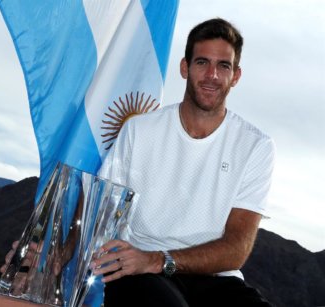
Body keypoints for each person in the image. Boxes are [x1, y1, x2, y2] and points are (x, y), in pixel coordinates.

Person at [91, 18, 275, 306]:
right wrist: (53, 254)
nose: (212, 75)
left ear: (235, 76)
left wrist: (161, 260)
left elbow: (237, 247)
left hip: (216, 278)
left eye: (223, 66)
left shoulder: (256, 146)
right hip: (140, 271)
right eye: (202, 62)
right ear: (184, 67)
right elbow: (100, 210)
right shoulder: (140, 130)